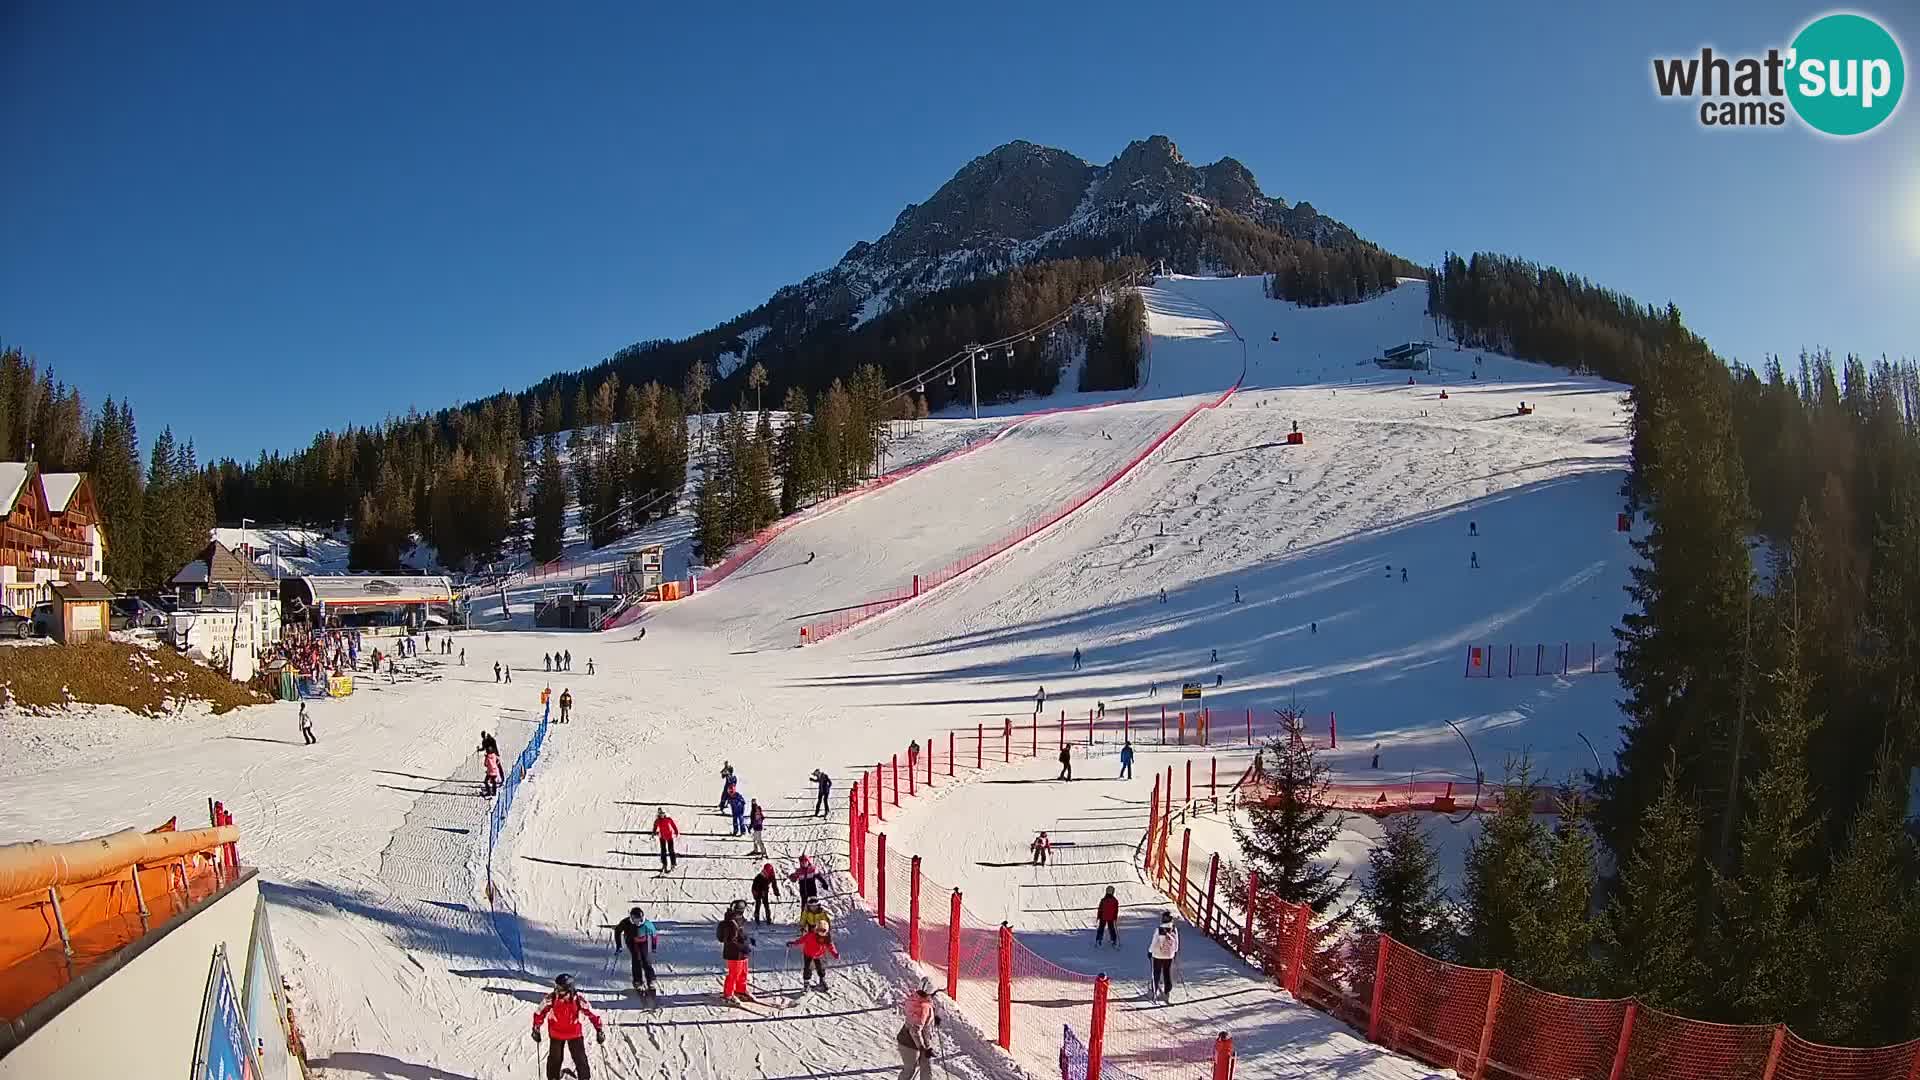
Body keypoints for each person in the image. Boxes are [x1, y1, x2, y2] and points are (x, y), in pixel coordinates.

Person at [532, 974, 604, 1080]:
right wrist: (536, 1028)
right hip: (557, 1034)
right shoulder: (552, 998)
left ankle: (584, 1078)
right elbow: (539, 1012)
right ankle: (553, 1078)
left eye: (560, 989)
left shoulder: (578, 1000)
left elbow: (591, 1013)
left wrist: (599, 1029)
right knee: (555, 1060)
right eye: (556, 987)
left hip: (573, 1034)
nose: (557, 991)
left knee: (580, 1059)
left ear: (569, 989)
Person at [896, 981, 942, 1080]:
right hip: (909, 1044)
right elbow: (915, 1030)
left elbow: (924, 1014)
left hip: (922, 1042)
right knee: (910, 1070)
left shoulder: (918, 998)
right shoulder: (922, 1006)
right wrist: (922, 1048)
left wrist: (933, 1018)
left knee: (926, 1067)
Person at [614, 907, 659, 995]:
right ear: (631, 919)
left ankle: (651, 979)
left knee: (645, 959)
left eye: (640, 920)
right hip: (631, 941)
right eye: (635, 920)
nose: (638, 923)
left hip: (643, 942)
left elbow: (654, 935)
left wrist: (654, 946)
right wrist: (618, 945)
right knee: (636, 958)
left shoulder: (647, 924)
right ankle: (637, 981)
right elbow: (617, 931)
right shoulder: (626, 923)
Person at [719, 901, 755, 1003]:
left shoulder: (740, 920)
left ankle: (740, 990)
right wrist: (742, 947)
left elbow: (741, 934)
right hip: (734, 953)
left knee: (743, 972)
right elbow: (730, 940)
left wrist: (749, 940)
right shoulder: (730, 923)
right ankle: (728, 994)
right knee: (734, 974)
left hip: (742, 952)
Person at [790, 914, 838, 991]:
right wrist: (793, 943)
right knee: (807, 968)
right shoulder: (811, 935)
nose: (821, 933)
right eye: (819, 930)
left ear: (827, 931)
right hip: (808, 954)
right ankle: (806, 983)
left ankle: (822, 980)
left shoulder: (827, 938)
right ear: (817, 929)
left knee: (820, 967)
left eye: (823, 931)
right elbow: (802, 940)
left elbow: (831, 947)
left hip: (819, 955)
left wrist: (835, 953)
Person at [1148, 912, 1180, 1001]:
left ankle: (1155, 989)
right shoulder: (1173, 929)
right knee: (1167, 972)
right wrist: (1175, 951)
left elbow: (1154, 942)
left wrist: (1150, 951)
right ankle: (1167, 989)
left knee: (1156, 972)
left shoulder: (1159, 929)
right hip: (1169, 955)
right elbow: (1176, 942)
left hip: (1158, 954)